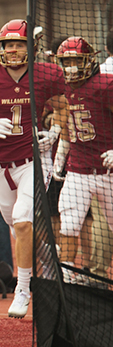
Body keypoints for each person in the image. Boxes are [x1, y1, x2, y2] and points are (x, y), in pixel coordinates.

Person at [0, 20, 66, 318]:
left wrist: (56, 128)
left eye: (19, 44)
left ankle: (23, 289)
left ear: (30, 48)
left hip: (34, 160)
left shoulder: (46, 74)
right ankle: (50, 258)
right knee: (18, 227)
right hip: (0, 165)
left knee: (23, 222)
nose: (13, 49)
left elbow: (65, 105)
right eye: (8, 44)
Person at [49, 36, 113, 277]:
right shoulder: (60, 87)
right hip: (79, 171)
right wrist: (60, 158)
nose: (72, 67)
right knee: (69, 223)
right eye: (66, 61)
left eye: (77, 60)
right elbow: (66, 124)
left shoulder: (105, 84)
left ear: (89, 61)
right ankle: (66, 276)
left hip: (108, 170)